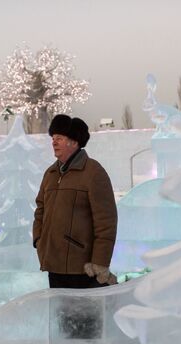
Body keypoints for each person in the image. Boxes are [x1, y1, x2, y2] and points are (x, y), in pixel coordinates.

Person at [33, 114, 118, 289]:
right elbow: (40, 209)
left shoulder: (94, 173)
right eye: (53, 138)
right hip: (53, 264)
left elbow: (106, 222)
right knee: (60, 315)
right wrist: (39, 240)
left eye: (60, 138)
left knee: (84, 316)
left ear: (74, 142)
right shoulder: (50, 174)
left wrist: (100, 262)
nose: (54, 142)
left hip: (82, 268)